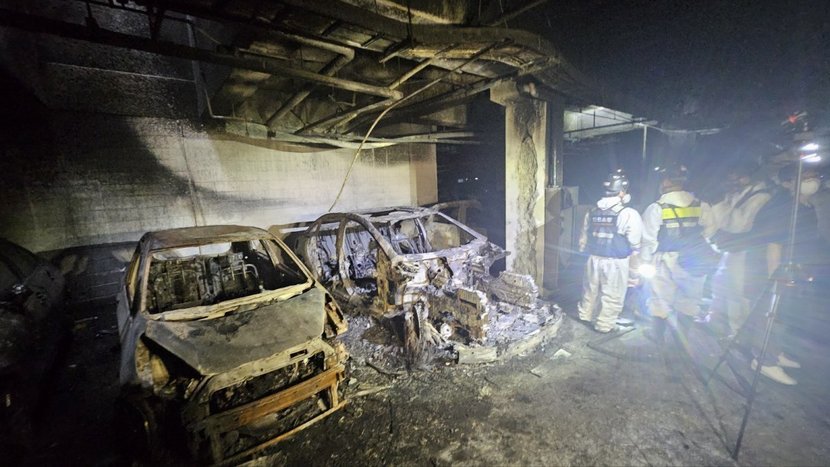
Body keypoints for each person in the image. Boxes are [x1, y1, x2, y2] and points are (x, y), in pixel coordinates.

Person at [640, 165, 716, 342]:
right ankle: (682, 340)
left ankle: (657, 336)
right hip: (693, 259)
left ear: (666, 182)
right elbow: (711, 230)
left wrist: (645, 261)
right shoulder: (701, 205)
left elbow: (648, 240)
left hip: (665, 259)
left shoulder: (657, 208)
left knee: (660, 297)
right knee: (690, 298)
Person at [709, 162, 773, 336]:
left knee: (738, 293)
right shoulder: (738, 193)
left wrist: (719, 204)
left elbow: (740, 225)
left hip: (745, 253)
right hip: (730, 250)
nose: (734, 180)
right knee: (720, 286)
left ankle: (738, 333)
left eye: (738, 176)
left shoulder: (761, 197)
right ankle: (716, 322)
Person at [577, 169, 643, 333]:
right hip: (616, 262)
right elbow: (635, 243)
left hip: (593, 259)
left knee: (590, 290)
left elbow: (583, 239)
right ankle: (604, 325)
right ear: (621, 192)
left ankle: (585, 316)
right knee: (612, 294)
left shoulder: (592, 211)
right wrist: (635, 269)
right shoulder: (628, 214)